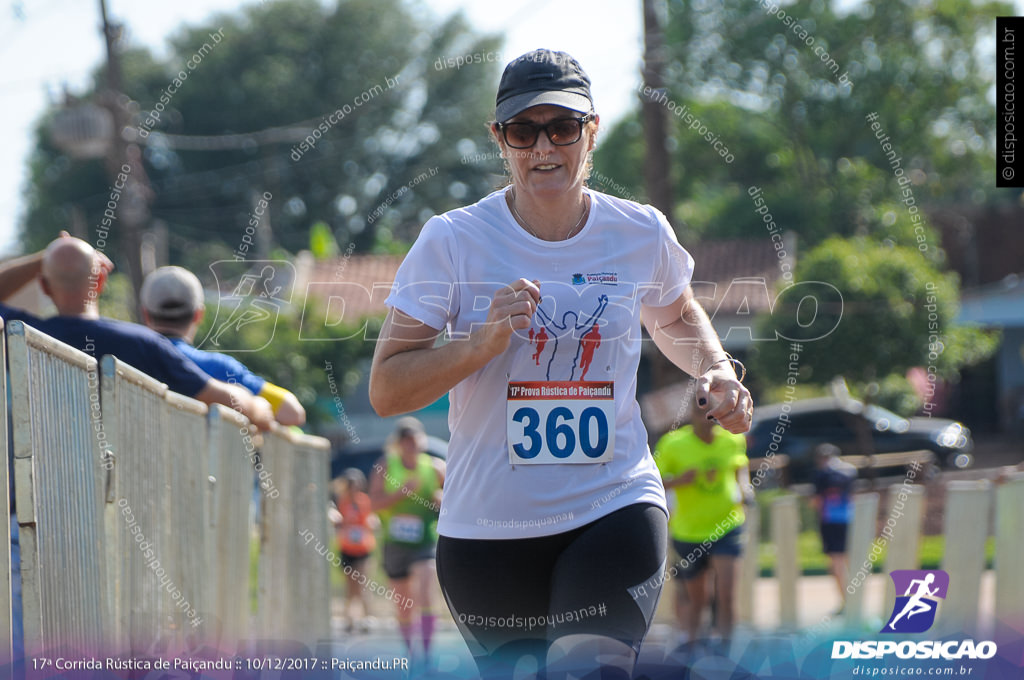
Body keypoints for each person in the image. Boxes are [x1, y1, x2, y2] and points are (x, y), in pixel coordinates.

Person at [368, 49, 753, 678]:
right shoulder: (453, 240)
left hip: (613, 505)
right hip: (487, 529)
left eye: (563, 127)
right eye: (524, 131)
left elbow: (675, 315)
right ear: (500, 140)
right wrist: (475, 346)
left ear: (591, 131)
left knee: (591, 669)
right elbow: (386, 389)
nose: (544, 146)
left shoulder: (640, 232)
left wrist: (715, 369)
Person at [0, 235, 273, 430]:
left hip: (45, 500)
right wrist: (256, 406)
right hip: (134, 500)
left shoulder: (21, 336)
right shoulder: (145, 344)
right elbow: (218, 396)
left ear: (44, 287)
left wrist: (47, 258)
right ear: (101, 281)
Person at [140, 266, 306, 426]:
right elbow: (293, 412)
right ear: (199, 315)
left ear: (145, 314)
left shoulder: (130, 354)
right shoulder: (220, 367)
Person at [655, 397, 752, 655]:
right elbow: (654, 481)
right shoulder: (673, 443)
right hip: (689, 530)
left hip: (727, 526)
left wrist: (746, 490)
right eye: (701, 414)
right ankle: (691, 645)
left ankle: (726, 648)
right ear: (691, 415)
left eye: (712, 415)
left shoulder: (732, 440)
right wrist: (678, 481)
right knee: (697, 597)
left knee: (727, 592)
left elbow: (740, 470)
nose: (707, 420)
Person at [367, 418, 444, 665]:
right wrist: (401, 493)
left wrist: (441, 499)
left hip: (425, 541)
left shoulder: (435, 468)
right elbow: (374, 504)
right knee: (404, 605)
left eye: (416, 440)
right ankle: (410, 653)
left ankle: (428, 654)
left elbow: (457, 499)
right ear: (398, 444)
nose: (412, 445)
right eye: (406, 441)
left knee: (425, 591)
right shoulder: (385, 467)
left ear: (422, 441)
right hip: (395, 542)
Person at [329, 468, 378, 632]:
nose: (353, 489)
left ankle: (368, 618)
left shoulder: (364, 501)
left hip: (363, 548)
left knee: (363, 584)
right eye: (350, 486)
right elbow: (336, 518)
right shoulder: (341, 502)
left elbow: (371, 519)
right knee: (350, 587)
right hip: (347, 548)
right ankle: (349, 619)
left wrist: (372, 522)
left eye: (356, 486)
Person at [811, 443, 856, 612]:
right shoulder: (850, 471)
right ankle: (857, 599)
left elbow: (817, 501)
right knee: (852, 559)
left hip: (830, 521)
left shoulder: (821, 474)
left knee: (836, 562)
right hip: (850, 519)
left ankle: (846, 601)